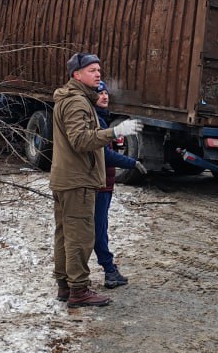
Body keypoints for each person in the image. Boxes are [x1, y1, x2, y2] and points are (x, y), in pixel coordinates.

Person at [50, 52, 142, 308]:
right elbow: (80, 140)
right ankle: (78, 290)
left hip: (67, 178)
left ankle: (65, 286)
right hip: (77, 180)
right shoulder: (77, 102)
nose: (98, 74)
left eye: (99, 70)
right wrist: (114, 132)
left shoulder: (71, 99)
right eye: (91, 70)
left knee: (65, 236)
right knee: (79, 237)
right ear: (76, 75)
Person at [94, 81, 146, 289]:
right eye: (100, 93)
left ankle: (107, 270)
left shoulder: (101, 118)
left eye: (106, 93)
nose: (105, 96)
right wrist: (131, 163)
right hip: (99, 185)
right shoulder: (96, 120)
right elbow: (104, 155)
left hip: (104, 184)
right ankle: (109, 271)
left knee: (100, 228)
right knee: (98, 230)